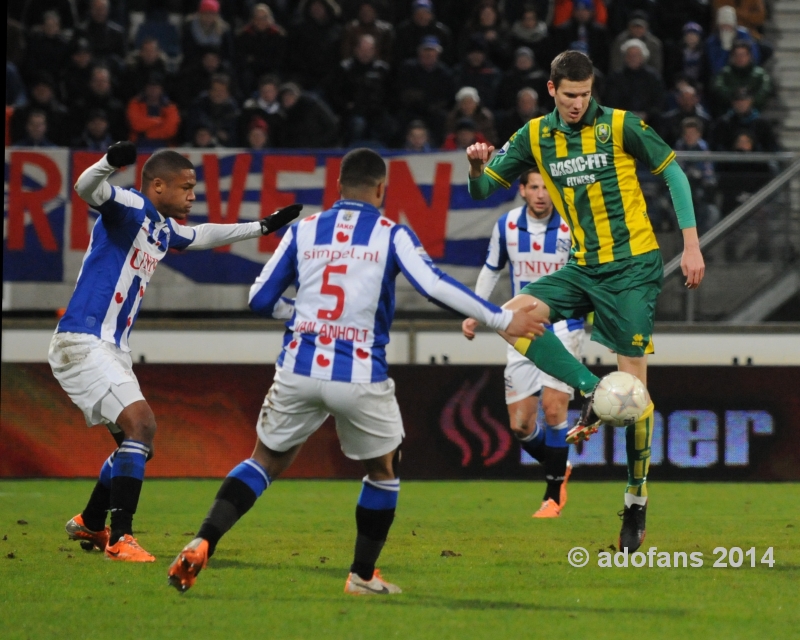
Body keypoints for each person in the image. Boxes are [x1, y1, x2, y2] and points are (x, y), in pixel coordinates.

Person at [166, 148, 544, 594]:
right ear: (382, 190)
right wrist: (501, 320)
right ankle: (362, 576)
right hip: (359, 372)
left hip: (298, 368)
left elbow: (259, 300)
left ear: (337, 187)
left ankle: (203, 540)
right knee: (383, 470)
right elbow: (434, 286)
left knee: (264, 461)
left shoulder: (303, 229)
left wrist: (299, 313)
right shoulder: (390, 234)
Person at [465, 50, 705, 552]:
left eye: (585, 94)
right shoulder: (534, 135)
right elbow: (485, 189)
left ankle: (636, 501)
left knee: (636, 395)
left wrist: (690, 244)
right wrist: (476, 168)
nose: (578, 103)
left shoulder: (621, 125)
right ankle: (594, 392)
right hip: (580, 267)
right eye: (569, 95)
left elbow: (675, 174)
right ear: (552, 91)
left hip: (633, 269)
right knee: (506, 317)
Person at [53, 142, 301, 562]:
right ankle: (120, 538)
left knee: (132, 444)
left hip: (111, 348)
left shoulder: (162, 228)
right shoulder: (129, 205)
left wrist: (260, 227)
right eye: (185, 188)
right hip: (83, 340)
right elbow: (85, 188)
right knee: (142, 427)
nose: (192, 196)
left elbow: (203, 235)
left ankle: (93, 522)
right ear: (157, 186)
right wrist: (111, 162)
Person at [462, 167, 583, 518]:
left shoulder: (572, 226)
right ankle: (559, 467)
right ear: (523, 190)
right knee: (520, 426)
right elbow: (491, 269)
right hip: (519, 328)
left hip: (564, 326)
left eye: (547, 187)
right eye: (534, 187)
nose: (542, 193)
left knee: (555, 409)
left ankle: (551, 497)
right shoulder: (507, 225)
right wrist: (475, 312)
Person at [604, 38, 665, 126]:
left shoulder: (653, 77)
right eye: (629, 55)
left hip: (650, 121)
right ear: (625, 57)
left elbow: (659, 100)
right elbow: (610, 101)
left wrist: (647, 114)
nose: (633, 58)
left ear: (643, 57)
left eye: (636, 55)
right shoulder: (616, 78)